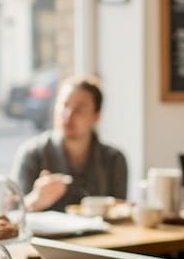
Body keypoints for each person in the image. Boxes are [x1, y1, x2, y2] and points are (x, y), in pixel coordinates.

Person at [11, 75, 128, 213]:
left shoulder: (114, 160)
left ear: (96, 116)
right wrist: (34, 201)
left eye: (79, 109)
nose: (68, 115)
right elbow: (11, 215)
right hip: (44, 235)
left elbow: (119, 215)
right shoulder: (32, 154)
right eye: (64, 105)